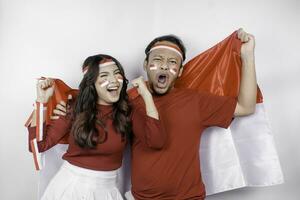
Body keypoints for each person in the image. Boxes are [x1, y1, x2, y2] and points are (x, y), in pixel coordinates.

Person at [53, 28, 257, 200]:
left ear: (180, 72)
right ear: (145, 66)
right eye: (157, 60)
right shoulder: (128, 99)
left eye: (172, 63)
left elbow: (246, 107)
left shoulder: (196, 101)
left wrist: (247, 57)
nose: (164, 66)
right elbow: (96, 100)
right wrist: (65, 108)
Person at [27, 54, 165, 200]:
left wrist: (147, 97)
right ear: (91, 83)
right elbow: (38, 146)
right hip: (71, 189)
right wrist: (41, 102)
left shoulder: (127, 110)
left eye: (117, 74)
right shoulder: (73, 108)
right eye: (104, 75)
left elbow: (156, 141)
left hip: (108, 190)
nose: (113, 80)